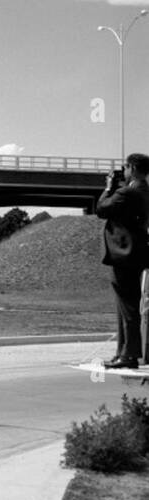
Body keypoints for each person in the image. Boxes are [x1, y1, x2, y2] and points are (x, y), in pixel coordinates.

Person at [95, 152, 149, 369]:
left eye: (125, 167)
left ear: (133, 168)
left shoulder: (128, 192)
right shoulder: (145, 191)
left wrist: (109, 187)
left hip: (124, 255)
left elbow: (101, 209)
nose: (124, 172)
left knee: (126, 306)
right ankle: (123, 352)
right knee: (127, 305)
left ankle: (128, 355)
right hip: (136, 254)